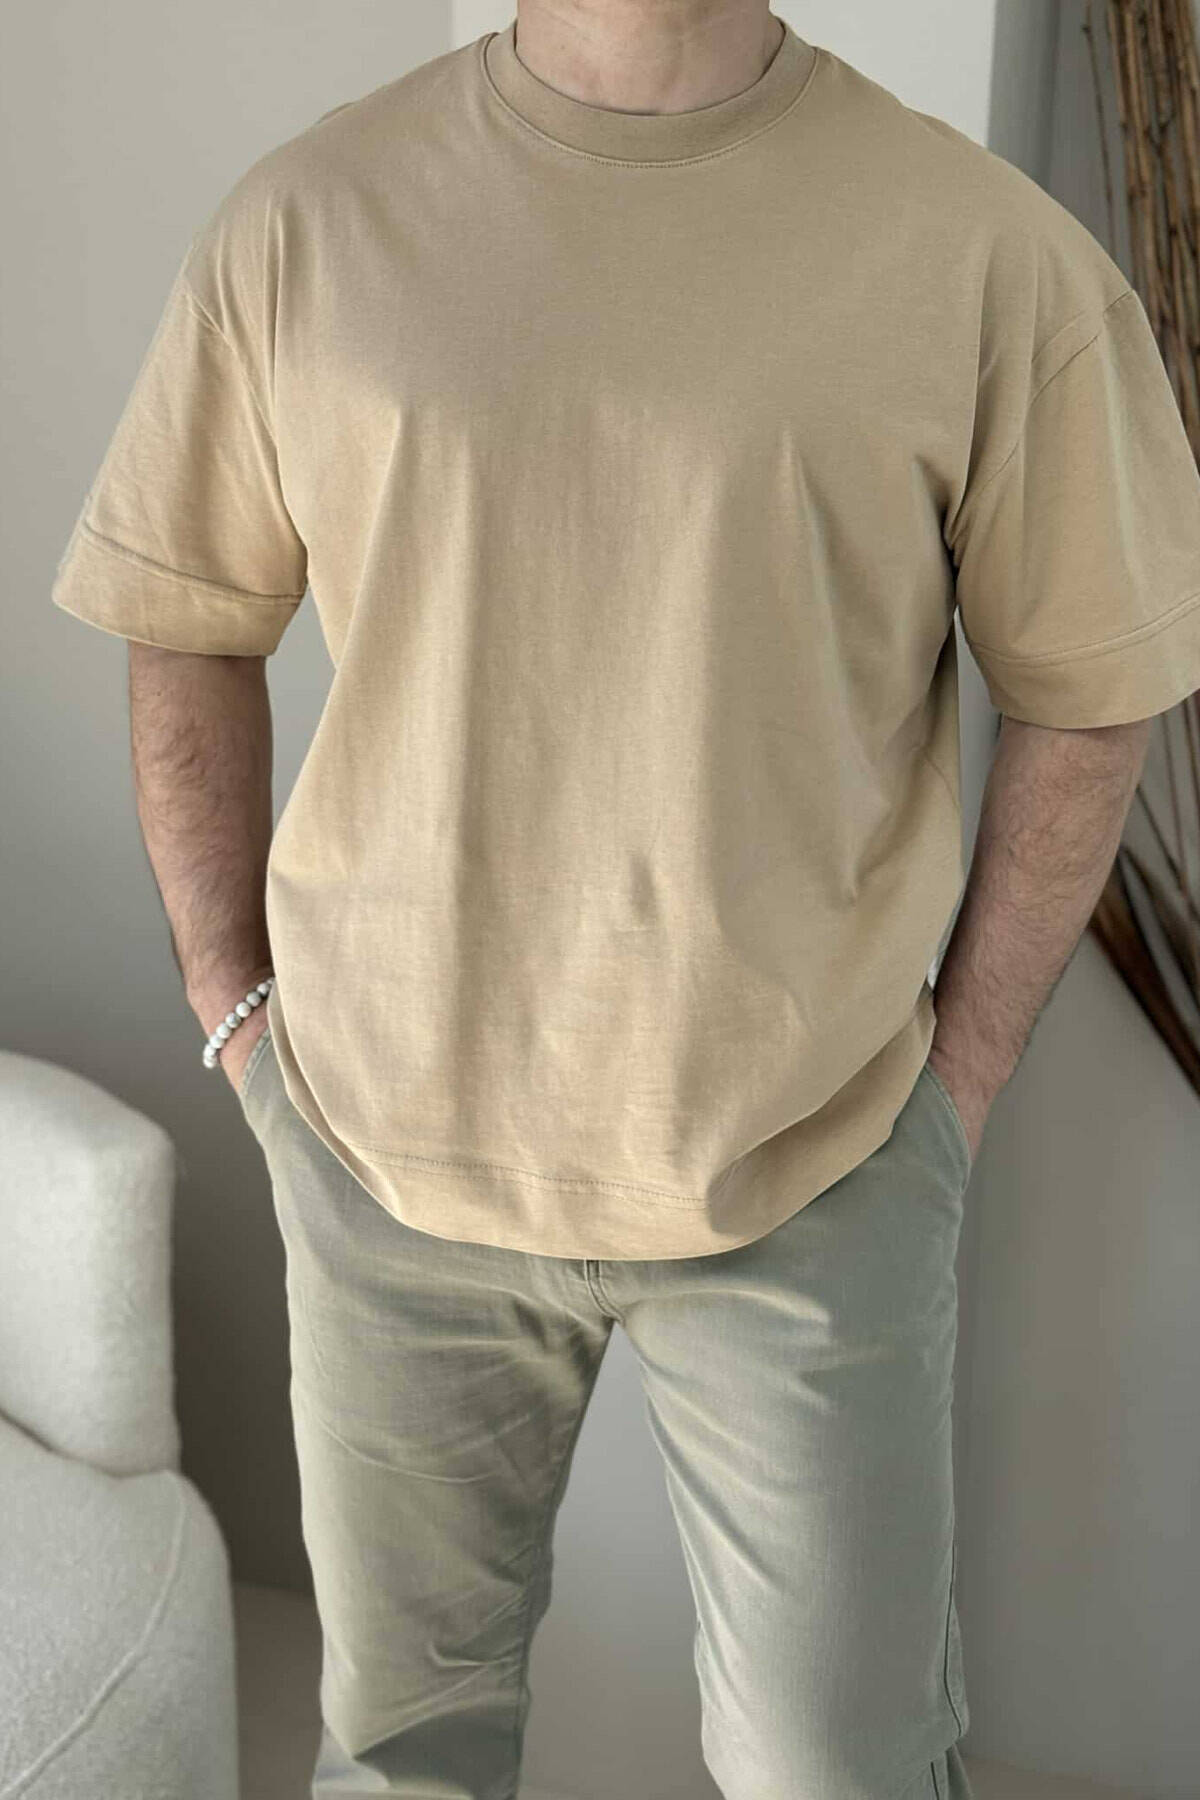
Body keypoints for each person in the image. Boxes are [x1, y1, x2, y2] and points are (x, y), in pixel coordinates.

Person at [49, 4, 1200, 1795]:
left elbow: (1094, 686)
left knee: (843, 1768)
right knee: (402, 1758)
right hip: (378, 1154)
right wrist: (235, 1006)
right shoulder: (305, 223)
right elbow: (183, 616)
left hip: (811, 1167)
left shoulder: (991, 259)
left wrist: (954, 1090)